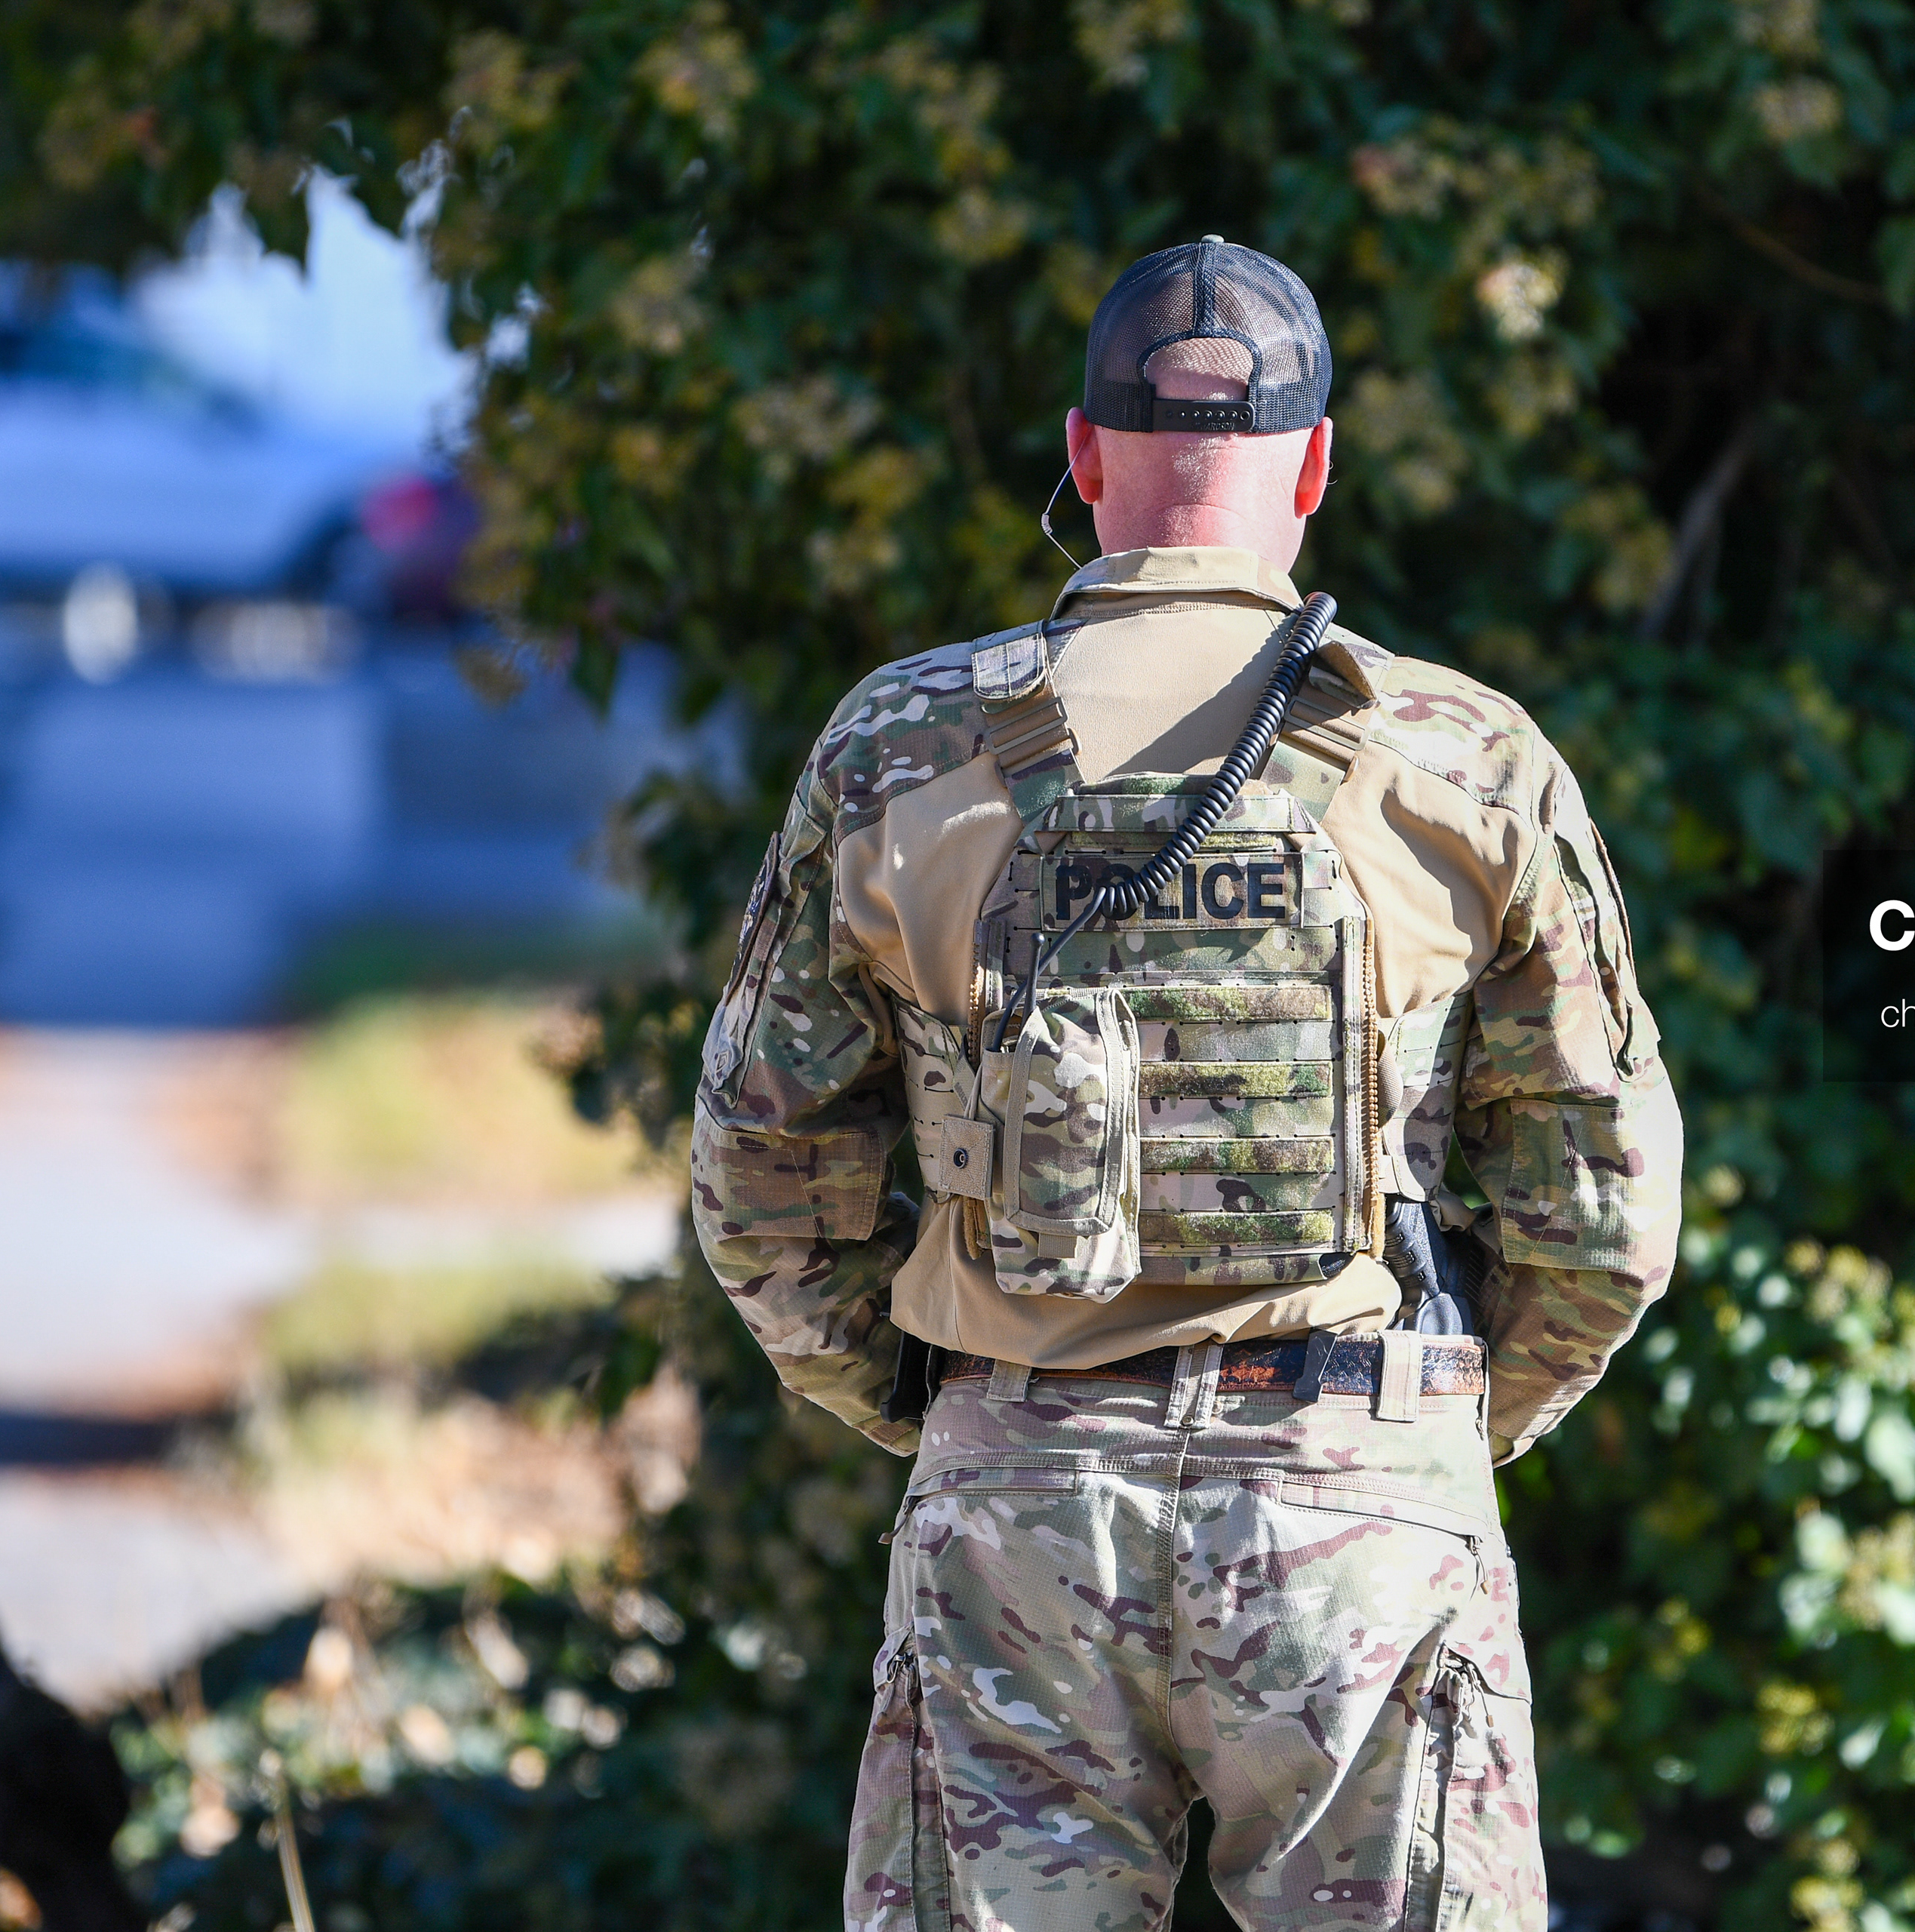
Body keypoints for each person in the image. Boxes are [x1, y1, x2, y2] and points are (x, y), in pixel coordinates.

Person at [691, 236, 1682, 1932]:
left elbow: (763, 1179)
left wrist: (951, 1404)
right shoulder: (1464, 757)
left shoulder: (896, 745)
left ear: (1083, 459)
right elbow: (1605, 1217)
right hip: (1360, 1487)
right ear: (1314, 466)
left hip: (1016, 1506)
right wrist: (1440, 1428)